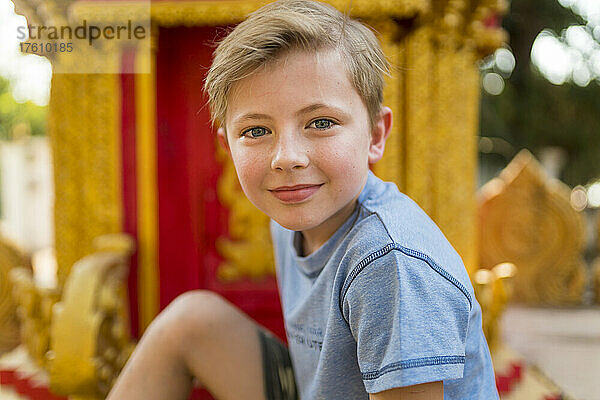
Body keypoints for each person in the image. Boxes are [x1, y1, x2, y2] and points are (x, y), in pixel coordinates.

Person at [107, 1, 499, 399]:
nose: (287, 157)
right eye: (257, 131)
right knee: (190, 320)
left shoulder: (389, 262)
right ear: (228, 147)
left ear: (376, 135)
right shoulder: (292, 212)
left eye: (321, 123)